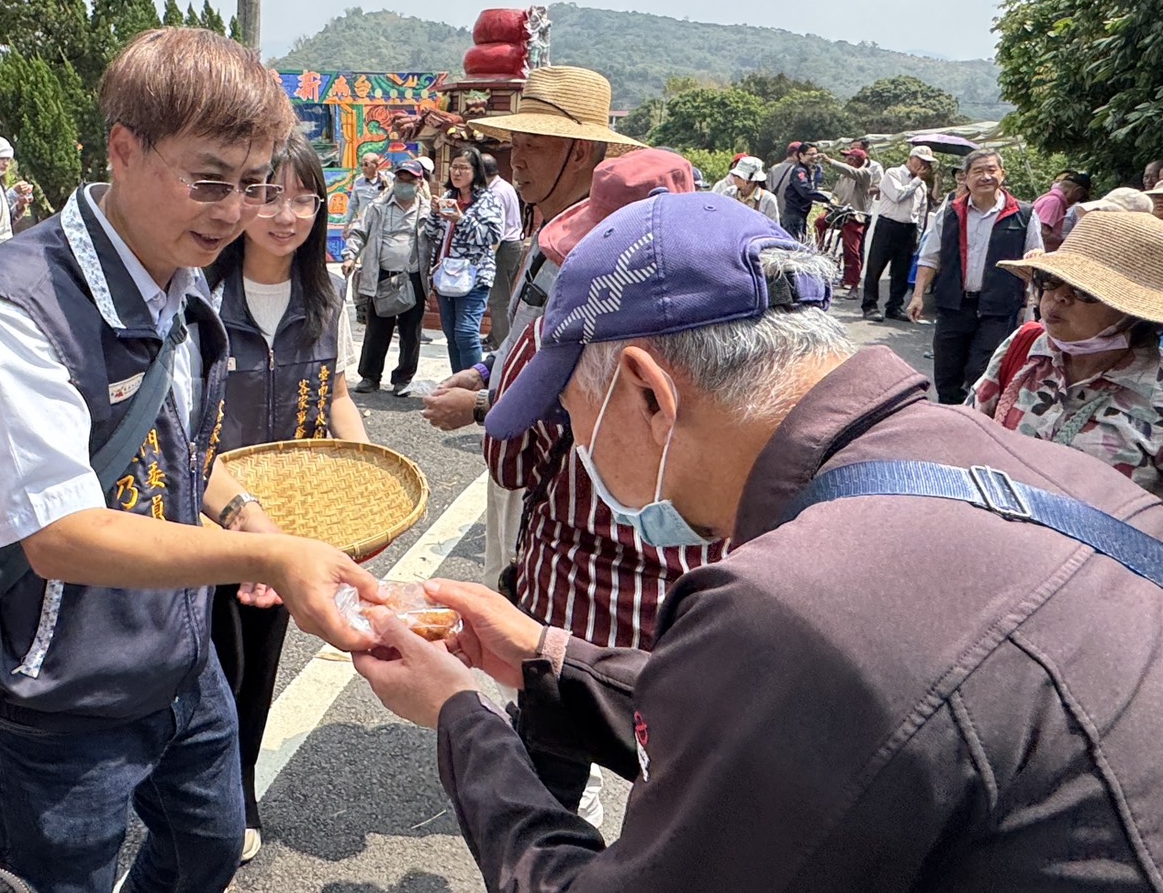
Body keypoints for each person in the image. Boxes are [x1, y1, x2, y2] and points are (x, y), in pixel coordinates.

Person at [353, 190, 1163, 892]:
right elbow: (805, 731)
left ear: (646, 391)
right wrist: (547, 656)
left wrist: (460, 714)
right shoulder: (1038, 470)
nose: (579, 448)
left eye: (571, 415)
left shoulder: (792, 602)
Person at [0, 27, 381, 893]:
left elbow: (176, 454)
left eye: (252, 185)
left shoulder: (184, 284)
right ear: (123, 150)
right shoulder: (14, 310)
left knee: (207, 848)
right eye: (209, 179)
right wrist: (268, 556)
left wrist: (250, 520)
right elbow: (60, 535)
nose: (234, 211)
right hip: (58, 692)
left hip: (181, 657)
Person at [484, 148, 724, 824]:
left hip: (565, 607)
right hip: (690, 616)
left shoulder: (556, 336)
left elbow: (510, 464)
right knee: (677, 802)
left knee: (547, 797)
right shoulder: (739, 342)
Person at [206, 135, 368, 865]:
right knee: (206, 663)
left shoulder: (325, 295)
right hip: (201, 514)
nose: (286, 215)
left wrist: (364, 482)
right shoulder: (198, 294)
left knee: (255, 668)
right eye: (268, 196)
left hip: (290, 521)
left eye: (303, 198)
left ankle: (236, 795)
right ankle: (197, 793)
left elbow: (335, 397)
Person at [418, 66, 637, 596]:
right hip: (517, 449)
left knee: (529, 615)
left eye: (532, 146)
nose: (516, 161)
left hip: (556, 472)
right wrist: (482, 371)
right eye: (513, 145)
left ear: (580, 153)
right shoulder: (547, 233)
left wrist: (475, 409)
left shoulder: (608, 254)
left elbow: (589, 384)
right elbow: (526, 339)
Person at [970, 211, 1162, 496]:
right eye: (1050, 278)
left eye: (1084, 290)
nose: (1059, 296)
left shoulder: (1156, 393)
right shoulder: (1024, 345)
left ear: (1132, 313)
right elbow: (969, 435)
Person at [909, 150, 1042, 404]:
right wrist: (917, 297)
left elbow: (1036, 261)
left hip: (998, 308)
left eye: (991, 170)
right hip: (953, 305)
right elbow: (929, 257)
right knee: (947, 375)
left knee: (980, 372)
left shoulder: (1023, 214)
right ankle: (949, 423)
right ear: (966, 178)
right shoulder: (950, 213)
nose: (985, 176)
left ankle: (974, 425)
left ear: (1002, 175)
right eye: (978, 171)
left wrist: (1033, 305)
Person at [344, 159, 431, 396]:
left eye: (410, 181)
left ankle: (403, 378)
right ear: (394, 180)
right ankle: (370, 377)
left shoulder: (428, 210)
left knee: (410, 331)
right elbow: (359, 232)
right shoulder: (377, 207)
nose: (405, 185)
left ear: (419, 182)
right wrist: (350, 255)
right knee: (377, 328)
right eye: (400, 179)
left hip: (413, 277)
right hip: (382, 275)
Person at [427, 148, 505, 374]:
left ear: (475, 172)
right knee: (450, 333)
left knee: (466, 332)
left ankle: (473, 384)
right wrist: (434, 213)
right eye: (454, 167)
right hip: (444, 275)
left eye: (463, 168)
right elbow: (432, 233)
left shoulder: (488, 200)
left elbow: (491, 237)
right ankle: (457, 380)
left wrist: (461, 220)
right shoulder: (449, 198)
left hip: (475, 275)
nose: (457, 172)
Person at [861, 144, 933, 322]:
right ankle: (870, 305)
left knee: (901, 270)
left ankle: (894, 306)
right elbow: (898, 195)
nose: (923, 165)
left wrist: (918, 234)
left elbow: (921, 211)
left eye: (927, 163)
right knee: (875, 267)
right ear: (911, 158)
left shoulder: (922, 186)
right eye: (920, 160)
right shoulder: (893, 174)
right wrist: (917, 181)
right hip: (888, 225)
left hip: (908, 228)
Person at [816, 141, 882, 294]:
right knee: (819, 222)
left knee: (852, 249)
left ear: (854, 161)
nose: (846, 160)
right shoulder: (843, 177)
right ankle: (820, 254)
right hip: (840, 211)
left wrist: (829, 161)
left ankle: (853, 284)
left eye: (849, 158)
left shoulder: (865, 174)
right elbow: (836, 194)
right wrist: (833, 201)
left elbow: (853, 172)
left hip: (855, 215)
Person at [482, 151, 525, 352]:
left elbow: (496, 230)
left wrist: (488, 255)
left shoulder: (495, 193)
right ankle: (495, 336)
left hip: (503, 247)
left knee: (499, 299)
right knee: (505, 297)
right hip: (514, 243)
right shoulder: (504, 186)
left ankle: (502, 345)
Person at [344, 152, 392, 322]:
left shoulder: (388, 180)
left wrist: (387, 187)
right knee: (366, 266)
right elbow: (353, 205)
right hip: (364, 230)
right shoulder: (358, 183)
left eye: (366, 164)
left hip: (384, 230)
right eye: (362, 164)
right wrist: (347, 224)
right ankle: (365, 305)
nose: (363, 168)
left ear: (376, 165)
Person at [768, 141, 820, 240]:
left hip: (775, 214)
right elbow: (805, 191)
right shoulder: (799, 170)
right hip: (793, 214)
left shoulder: (774, 169)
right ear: (797, 154)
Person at [1032, 169, 1091, 252]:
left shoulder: (1050, 198)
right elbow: (1042, 232)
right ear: (1078, 192)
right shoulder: (1054, 202)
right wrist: (1063, 242)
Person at [727, 156, 779, 222]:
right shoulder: (728, 194)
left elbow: (773, 228)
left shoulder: (768, 200)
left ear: (753, 181)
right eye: (735, 176)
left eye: (740, 177)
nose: (736, 179)